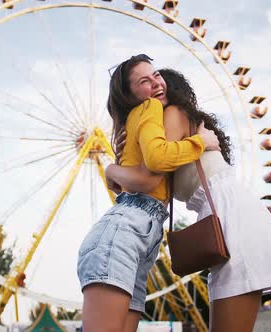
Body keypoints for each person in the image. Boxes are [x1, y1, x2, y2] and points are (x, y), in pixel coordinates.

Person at [106, 68, 271, 332]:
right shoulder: (183, 131)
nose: (151, 98)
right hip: (236, 216)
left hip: (233, 218)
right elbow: (142, 184)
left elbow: (148, 176)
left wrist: (112, 168)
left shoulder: (172, 114)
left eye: (157, 82)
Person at [76, 54, 221, 332]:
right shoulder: (151, 107)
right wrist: (200, 142)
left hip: (138, 238)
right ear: (131, 95)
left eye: (156, 75)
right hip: (124, 232)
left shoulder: (141, 119)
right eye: (144, 81)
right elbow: (154, 164)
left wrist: (112, 170)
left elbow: (134, 177)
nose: (156, 83)